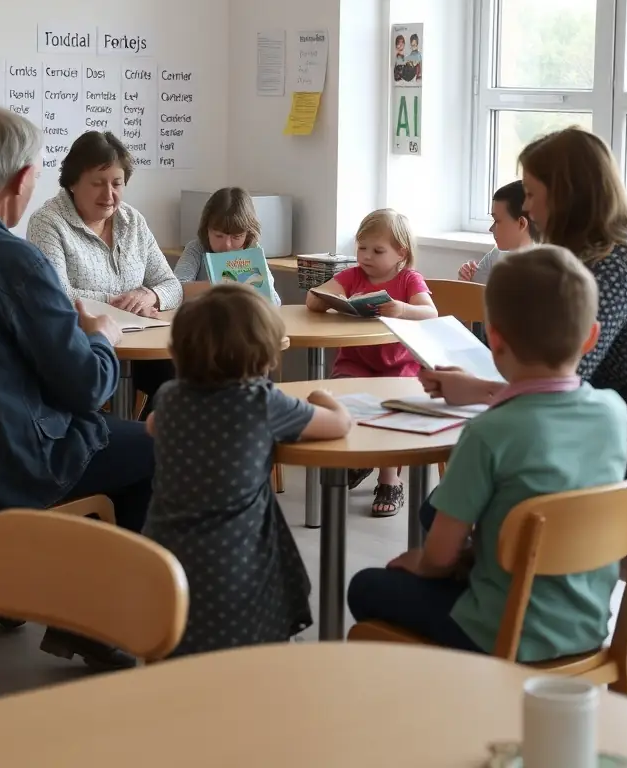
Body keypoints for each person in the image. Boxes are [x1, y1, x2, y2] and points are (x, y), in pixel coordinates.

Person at [0, 107, 154, 671]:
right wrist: (102, 337)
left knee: (86, 437)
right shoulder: (16, 263)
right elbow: (87, 385)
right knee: (143, 445)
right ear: (20, 180)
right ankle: (90, 623)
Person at [348, 245, 627, 660]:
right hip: (586, 623)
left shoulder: (489, 432)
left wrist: (421, 561)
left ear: (493, 339)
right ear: (590, 337)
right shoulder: (613, 412)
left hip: (503, 628)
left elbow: (439, 560)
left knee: (367, 585)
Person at [424, 127, 627, 530]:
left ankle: (501, 587)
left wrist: (477, 390)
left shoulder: (606, 267)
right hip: (618, 434)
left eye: (533, 195)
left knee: (445, 508)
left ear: (565, 195)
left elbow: (556, 392)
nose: (531, 210)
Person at [143, 284, 351, 655]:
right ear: (267, 357)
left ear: (177, 353)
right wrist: (324, 395)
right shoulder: (262, 402)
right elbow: (338, 425)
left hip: (165, 560)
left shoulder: (170, 398)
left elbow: (153, 426)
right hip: (234, 563)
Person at [27, 130, 182, 411]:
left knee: (182, 382)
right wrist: (122, 302)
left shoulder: (133, 220)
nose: (109, 195)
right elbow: (58, 295)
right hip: (82, 348)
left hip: (141, 343)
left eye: (117, 184)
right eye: (98, 183)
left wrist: (150, 297)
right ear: (73, 183)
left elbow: (172, 285)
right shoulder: (47, 223)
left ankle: (153, 443)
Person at [306, 209, 437, 517]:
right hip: (357, 361)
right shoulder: (353, 276)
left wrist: (403, 310)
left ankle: (389, 480)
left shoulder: (409, 279)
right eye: (361, 247)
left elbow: (430, 312)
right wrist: (323, 297)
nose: (366, 256)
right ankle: (358, 457)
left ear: (400, 253)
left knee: (396, 409)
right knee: (340, 399)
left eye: (377, 251)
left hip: (399, 364)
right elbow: (316, 298)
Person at [173, 186, 280, 303]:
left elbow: (274, 301)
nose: (227, 245)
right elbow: (175, 290)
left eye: (236, 237)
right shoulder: (196, 249)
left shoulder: (253, 250)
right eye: (219, 236)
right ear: (207, 230)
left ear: (247, 234)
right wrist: (221, 286)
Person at [458, 179, 536, 284]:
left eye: (497, 221)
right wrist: (466, 281)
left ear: (521, 224)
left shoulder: (549, 270)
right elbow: (473, 297)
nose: (491, 229)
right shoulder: (494, 256)